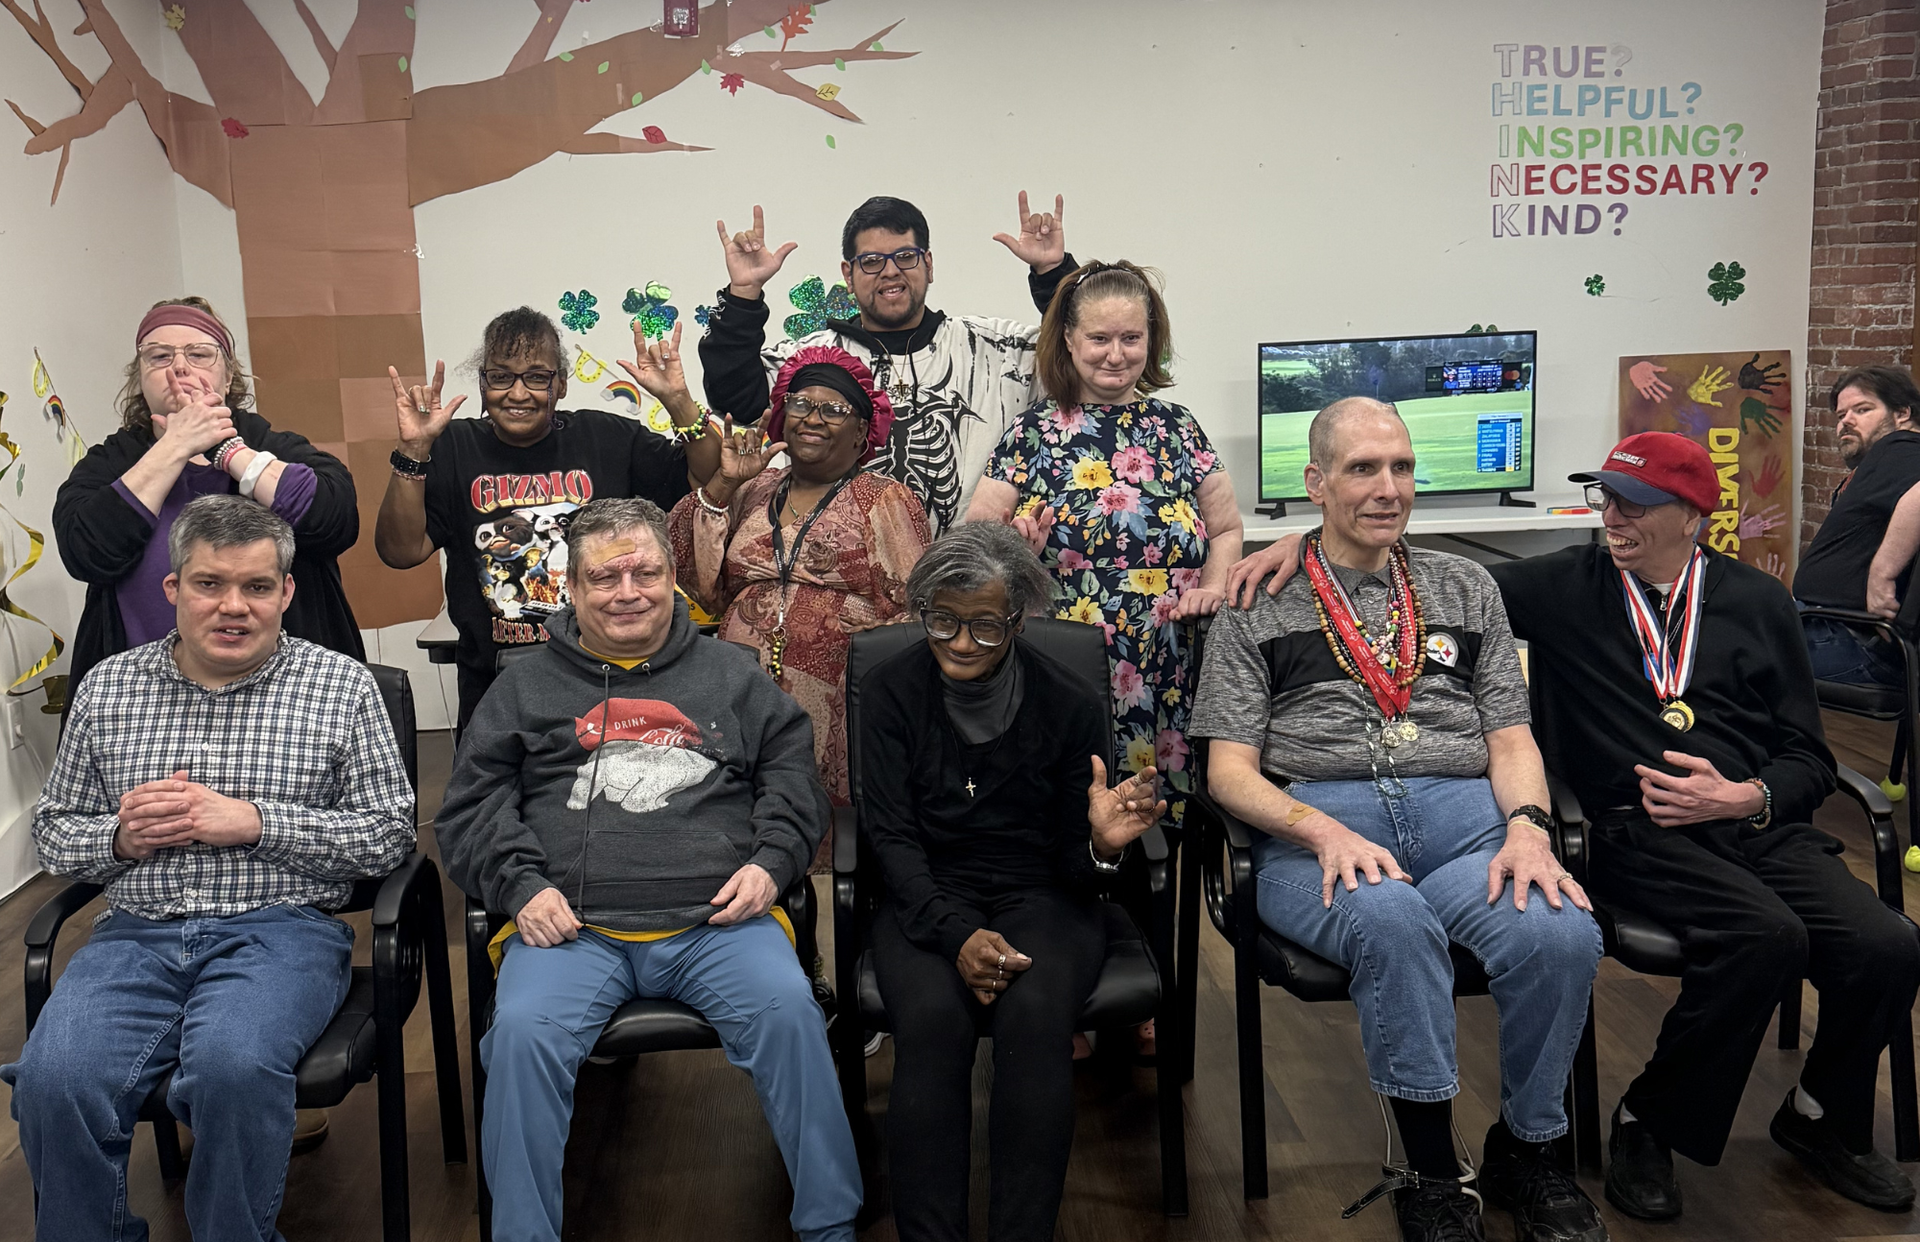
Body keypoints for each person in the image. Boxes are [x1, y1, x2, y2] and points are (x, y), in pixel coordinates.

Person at [1229, 429, 1920, 1221]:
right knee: (1767, 938)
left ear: (1694, 514)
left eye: (1635, 503)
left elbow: (1808, 753)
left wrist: (1747, 796)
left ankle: (1821, 1117)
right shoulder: (1563, 586)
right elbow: (1398, 574)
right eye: (1606, 497)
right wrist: (1302, 539)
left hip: (1752, 819)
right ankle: (1648, 1122)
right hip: (1630, 828)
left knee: (1888, 945)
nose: (1612, 517)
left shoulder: (1760, 603)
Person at [1192, 398, 1605, 1242]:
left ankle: (1529, 1151)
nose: (1389, 489)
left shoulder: (1467, 585)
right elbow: (1226, 772)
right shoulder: (1257, 600)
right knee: (1393, 923)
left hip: (1465, 829)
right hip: (1321, 829)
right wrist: (1320, 831)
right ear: (1315, 482)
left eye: (1403, 468)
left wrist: (1528, 825)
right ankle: (1427, 1172)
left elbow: (1511, 737)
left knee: (1561, 932)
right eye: (1362, 469)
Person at [436, 497, 860, 1242]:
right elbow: (468, 811)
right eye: (605, 577)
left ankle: (830, 1227)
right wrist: (521, 886)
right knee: (521, 1037)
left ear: (673, 579)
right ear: (571, 589)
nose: (627, 591)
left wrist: (770, 864)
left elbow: (794, 782)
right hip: (570, 931)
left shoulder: (734, 674)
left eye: (646, 572)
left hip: (719, 924)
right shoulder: (523, 688)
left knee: (793, 1014)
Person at [2, 495, 416, 1240]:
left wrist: (256, 822)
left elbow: (388, 836)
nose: (233, 606)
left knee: (231, 1068)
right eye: (209, 584)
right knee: (54, 1080)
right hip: (135, 934)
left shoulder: (341, 687)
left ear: (286, 593)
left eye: (257, 587)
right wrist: (120, 842)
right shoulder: (107, 689)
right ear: (173, 589)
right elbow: (56, 835)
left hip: (282, 934)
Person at [859, 521, 1163, 1242]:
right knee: (930, 1023)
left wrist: (1099, 844)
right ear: (923, 609)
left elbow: (1071, 866)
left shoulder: (1068, 703)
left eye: (986, 627)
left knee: (1036, 1020)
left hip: (1043, 895)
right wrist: (955, 931)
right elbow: (891, 839)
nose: (962, 643)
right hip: (927, 892)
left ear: (1018, 621)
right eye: (943, 621)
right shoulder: (889, 690)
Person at [967, 261, 1243, 826]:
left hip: (1173, 663)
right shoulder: (1031, 433)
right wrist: (1016, 546)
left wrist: (1213, 587)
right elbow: (977, 543)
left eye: (1131, 338)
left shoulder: (1179, 428)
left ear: (1151, 340)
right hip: (1070, 666)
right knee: (1072, 814)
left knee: (1165, 818)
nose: (1115, 354)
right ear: (1068, 340)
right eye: (1098, 338)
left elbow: (1228, 529)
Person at [376, 307, 717, 728]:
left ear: (562, 384)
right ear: (483, 383)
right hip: (495, 680)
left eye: (537, 377)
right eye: (501, 376)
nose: (518, 393)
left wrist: (679, 401)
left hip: (608, 676)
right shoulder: (452, 447)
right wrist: (412, 452)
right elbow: (400, 551)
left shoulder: (607, 438)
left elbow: (707, 475)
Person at [698, 193, 1075, 534]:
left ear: (928, 264)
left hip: (970, 586)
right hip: (841, 584)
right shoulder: (810, 362)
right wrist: (744, 296)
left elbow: (1086, 354)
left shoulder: (998, 350)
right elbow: (735, 397)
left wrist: (1053, 274)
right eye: (872, 261)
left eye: (905, 257)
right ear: (848, 275)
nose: (890, 271)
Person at [57, 296, 364, 697]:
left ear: (228, 376)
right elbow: (87, 550)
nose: (180, 366)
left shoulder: (275, 445)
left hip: (283, 697)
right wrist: (175, 445)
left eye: (199, 354)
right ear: (140, 377)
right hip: (145, 699)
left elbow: (335, 519)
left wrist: (227, 452)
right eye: (159, 356)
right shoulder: (108, 463)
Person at [669, 346, 929, 812]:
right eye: (801, 403)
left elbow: (916, 614)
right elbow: (690, 577)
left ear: (861, 434)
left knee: (824, 832)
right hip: (739, 690)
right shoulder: (754, 488)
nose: (812, 417)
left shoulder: (884, 498)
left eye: (833, 409)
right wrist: (725, 483)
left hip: (840, 704)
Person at [1794, 365, 1920, 686]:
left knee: (1704, 648)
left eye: (1862, 409)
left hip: (1848, 640)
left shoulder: (1902, 446)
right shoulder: (1886, 463)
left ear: (1903, 413)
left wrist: (1883, 572)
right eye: (1841, 415)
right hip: (1831, 630)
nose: (1846, 421)